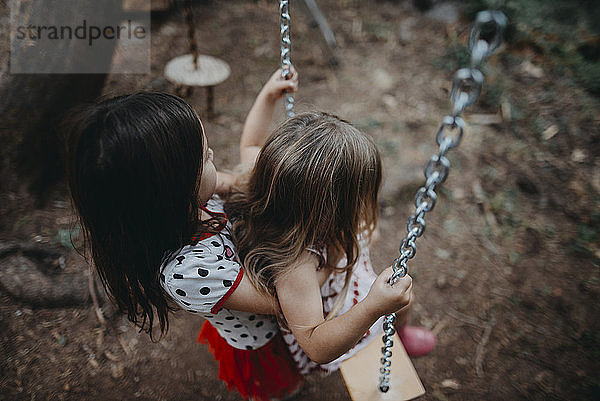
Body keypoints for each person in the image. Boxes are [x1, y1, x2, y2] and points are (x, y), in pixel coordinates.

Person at [224, 111, 435, 378]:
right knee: (396, 304)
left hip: (348, 279)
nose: (361, 207)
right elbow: (316, 344)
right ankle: (385, 332)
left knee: (404, 302)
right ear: (329, 211)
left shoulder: (279, 181)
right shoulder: (295, 266)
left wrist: (269, 98)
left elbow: (250, 146)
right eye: (356, 198)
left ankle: (397, 335)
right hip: (335, 311)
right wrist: (373, 307)